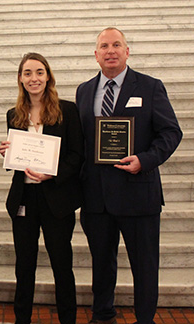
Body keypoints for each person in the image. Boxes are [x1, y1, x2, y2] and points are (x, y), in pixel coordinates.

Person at [76, 27, 182, 324]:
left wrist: (144, 160)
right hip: (96, 198)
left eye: (116, 45)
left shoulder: (149, 87)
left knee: (144, 266)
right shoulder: (84, 91)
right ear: (96, 54)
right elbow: (81, 141)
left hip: (139, 193)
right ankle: (103, 313)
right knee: (102, 264)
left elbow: (171, 132)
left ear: (127, 51)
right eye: (104, 46)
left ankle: (145, 319)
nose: (110, 50)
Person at [0, 53, 84, 324]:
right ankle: (22, 319)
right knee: (24, 266)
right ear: (20, 79)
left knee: (61, 264)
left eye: (38, 72)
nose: (33, 78)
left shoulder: (67, 111)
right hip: (24, 197)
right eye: (27, 73)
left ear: (48, 76)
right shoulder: (14, 114)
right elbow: (19, 159)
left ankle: (67, 319)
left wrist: (52, 174)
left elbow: (76, 156)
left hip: (56, 198)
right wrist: (7, 154)